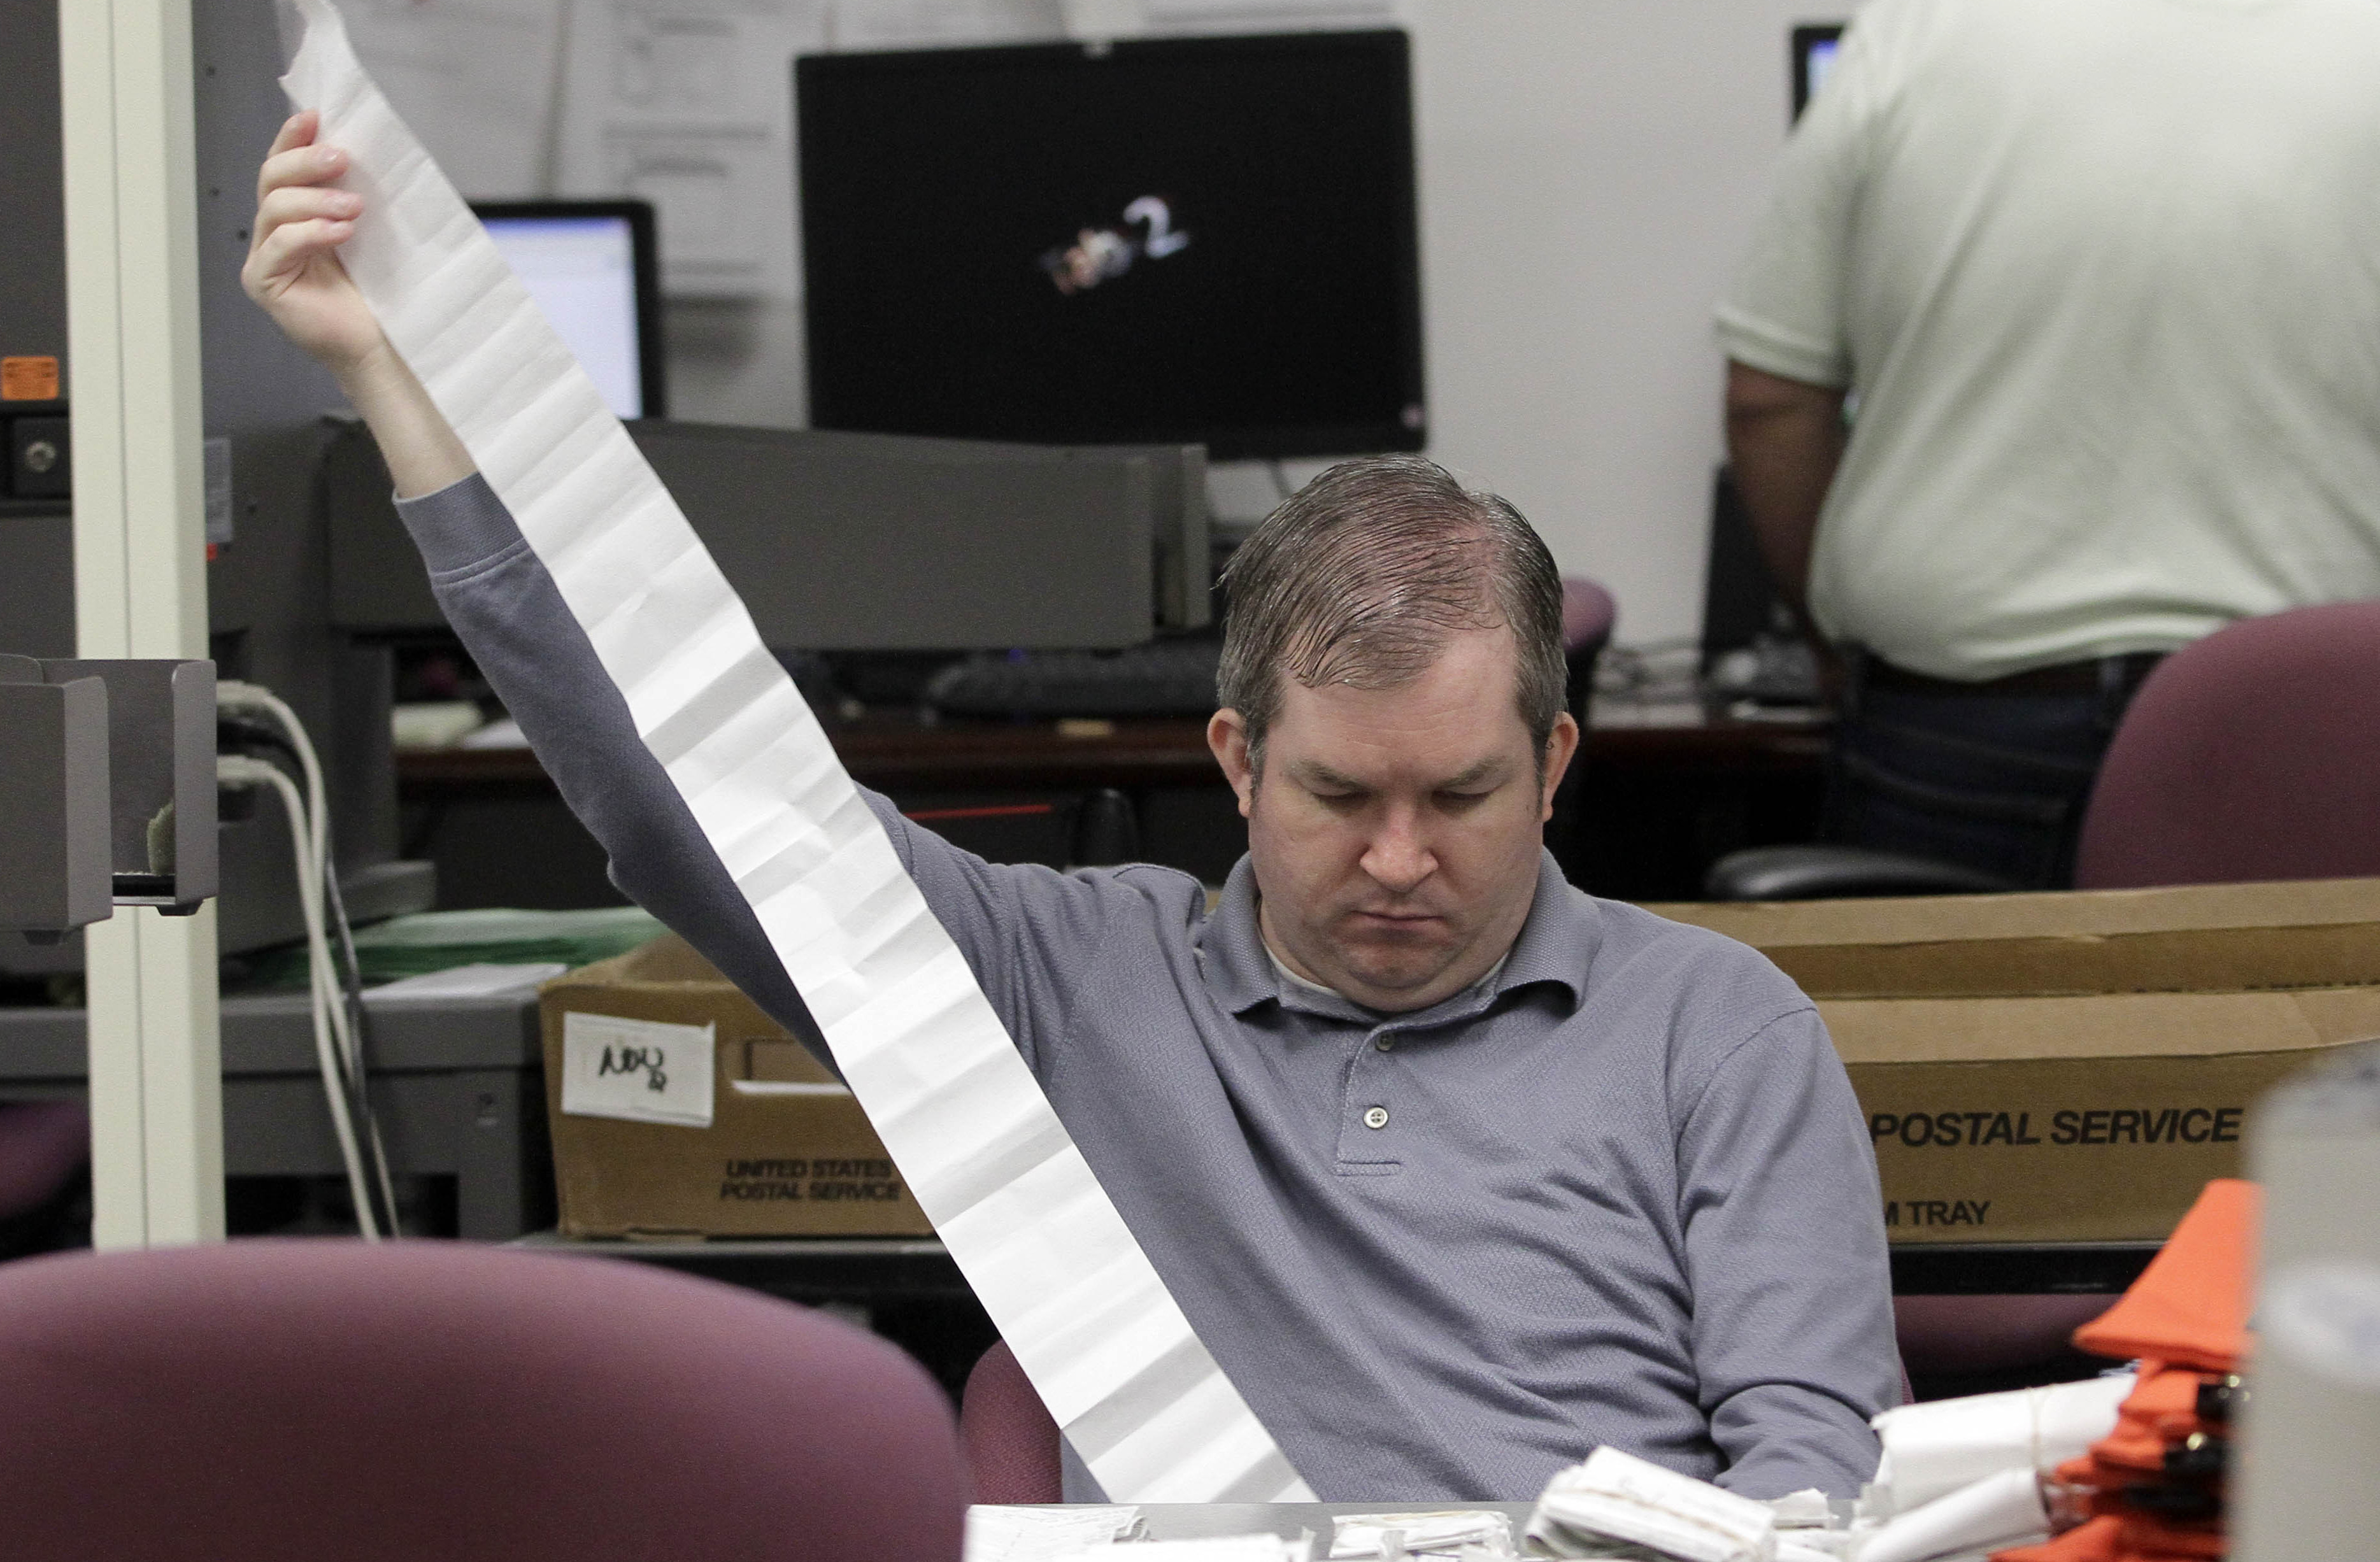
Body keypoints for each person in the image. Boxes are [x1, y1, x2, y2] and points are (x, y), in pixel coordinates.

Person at [246, 111, 1899, 1500]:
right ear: (1238, 759)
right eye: (1337, 793)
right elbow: (682, 788)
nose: (1400, 861)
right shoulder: (1067, 983)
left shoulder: (1719, 1029)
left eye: (1461, 793)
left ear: (1551, 764)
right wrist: (401, 382)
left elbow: (1814, 1468)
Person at [1720, 0, 2380, 889]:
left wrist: (1829, 646)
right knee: (2291, 1042)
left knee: (1945, 1041)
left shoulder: (1931, 12)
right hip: (2295, 738)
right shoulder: (2364, 44)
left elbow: (1770, 401)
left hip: (1970, 717)